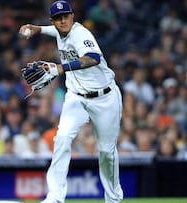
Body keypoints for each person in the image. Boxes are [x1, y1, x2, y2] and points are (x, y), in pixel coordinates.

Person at [19, 1, 123, 203]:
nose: (63, 20)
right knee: (62, 138)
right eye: (58, 18)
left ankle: (113, 199)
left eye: (66, 16)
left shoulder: (80, 34)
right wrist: (36, 29)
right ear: (53, 21)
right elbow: (54, 31)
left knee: (107, 152)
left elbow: (93, 58)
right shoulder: (59, 30)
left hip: (105, 97)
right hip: (76, 97)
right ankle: (55, 197)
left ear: (73, 16)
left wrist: (59, 68)